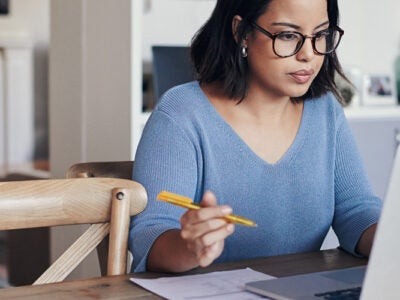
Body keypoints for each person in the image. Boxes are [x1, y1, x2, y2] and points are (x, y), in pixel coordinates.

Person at [129, 0, 382, 273]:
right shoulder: (181, 113)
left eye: (320, 35)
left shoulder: (325, 111)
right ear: (241, 32)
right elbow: (150, 236)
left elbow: (356, 210)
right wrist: (188, 246)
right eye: (288, 36)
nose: (309, 54)